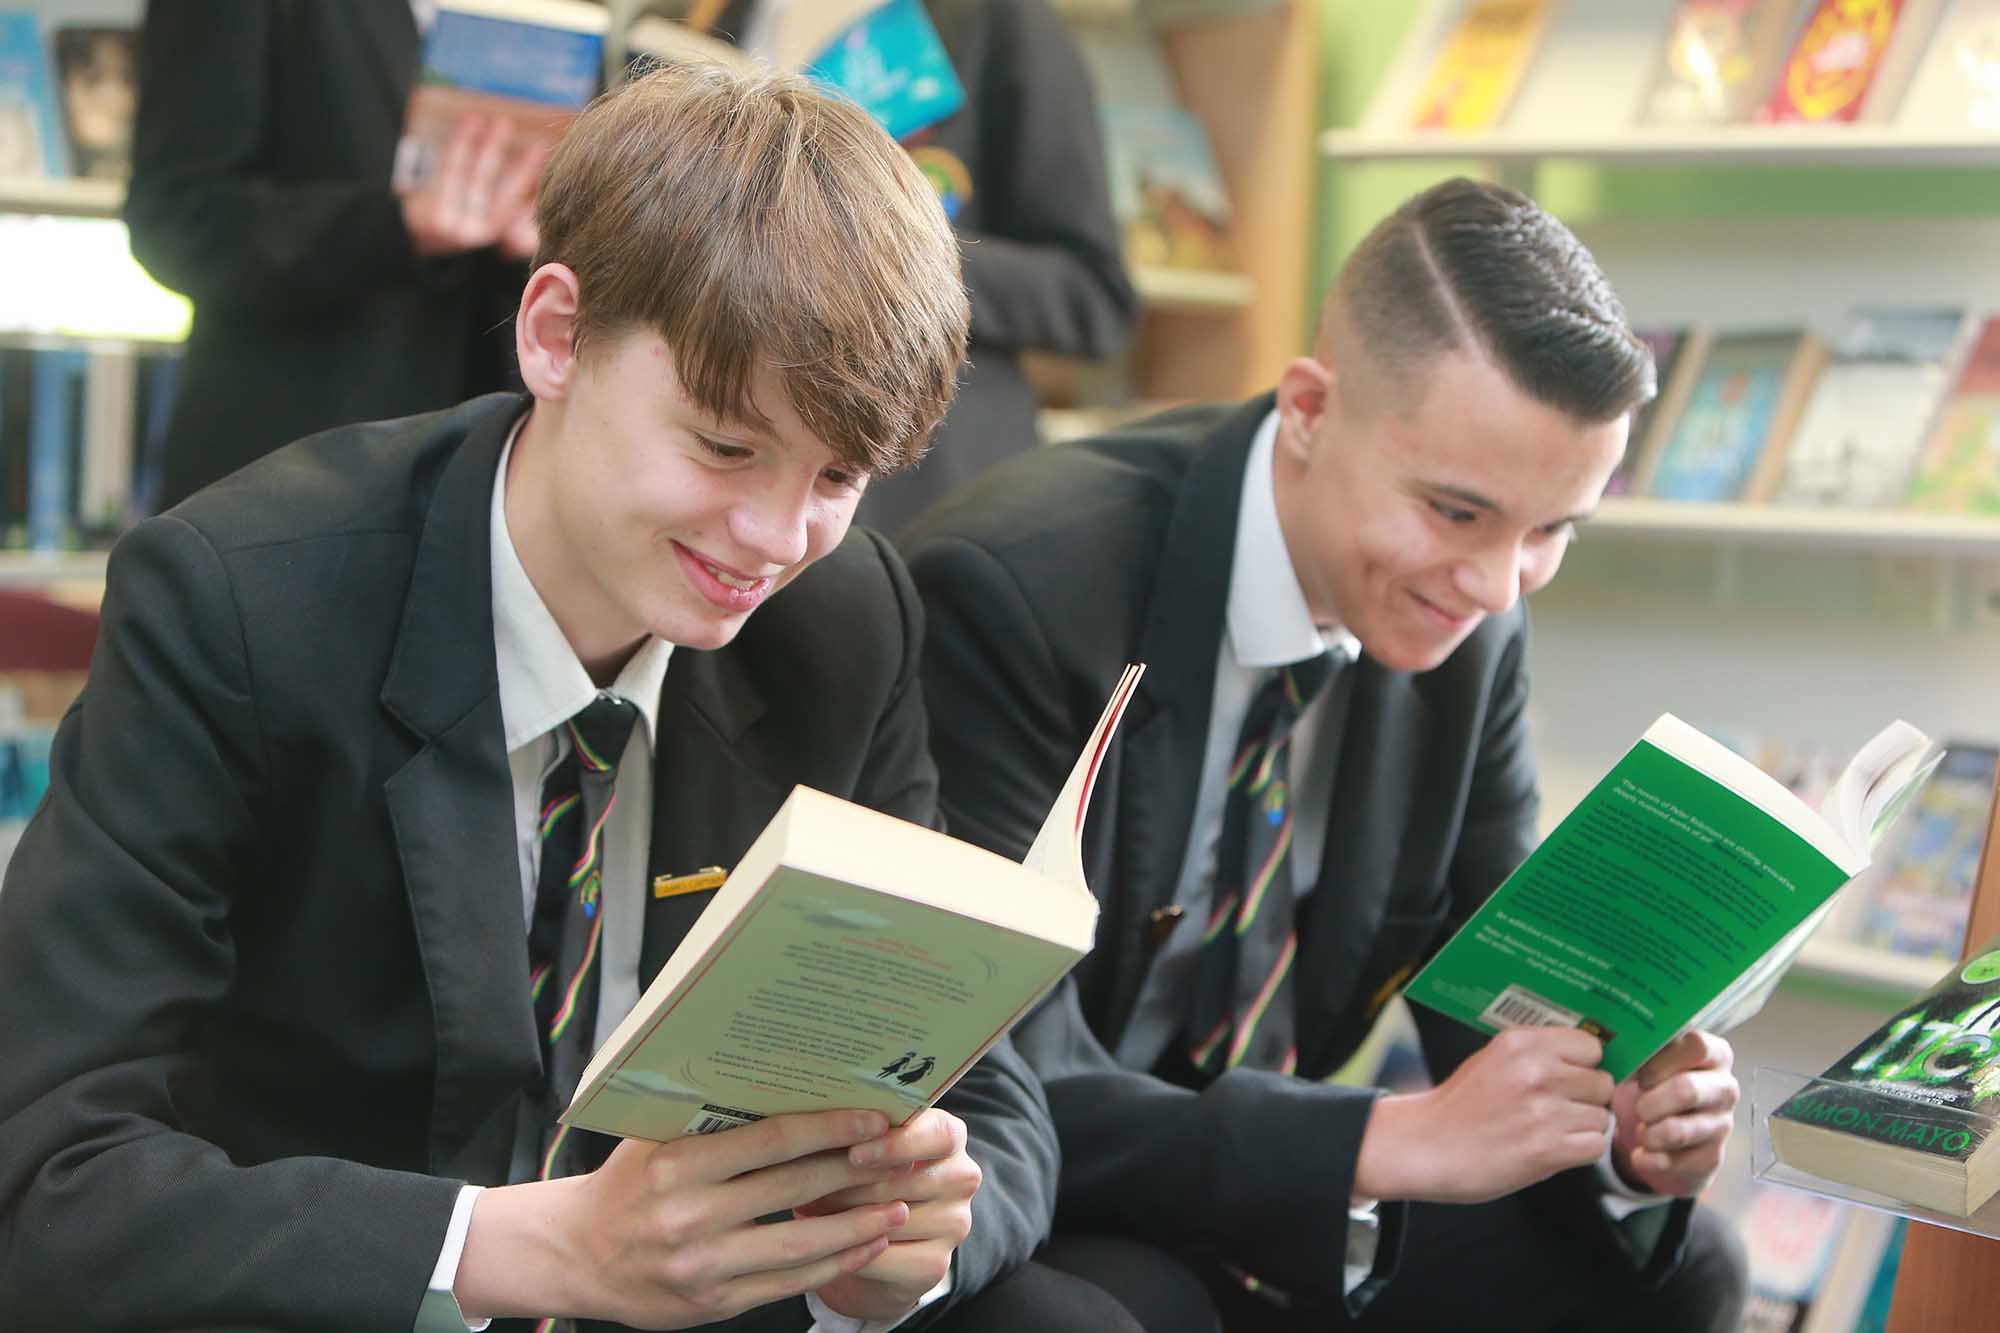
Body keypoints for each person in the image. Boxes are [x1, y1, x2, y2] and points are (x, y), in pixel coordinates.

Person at [0, 63, 1178, 1333]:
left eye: (838, 477)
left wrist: (909, 1244)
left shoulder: (843, 619)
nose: (774, 540)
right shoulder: (241, 603)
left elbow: (987, 1081)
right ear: (555, 335)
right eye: (724, 446)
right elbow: (52, 1179)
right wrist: (532, 1250)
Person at [902, 177, 1751, 1331]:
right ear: (1306, 408)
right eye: (1455, 512)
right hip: (1043, 1176)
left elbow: (1490, 981)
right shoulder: (1017, 590)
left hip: (1277, 1169)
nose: (1496, 586)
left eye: (1551, 529)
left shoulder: (1471, 621)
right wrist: (1375, 1139)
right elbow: (989, 1061)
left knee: (1683, 1265)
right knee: (1139, 1309)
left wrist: (1617, 1120)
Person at [705, 0, 1140, 535]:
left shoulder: (996, 21)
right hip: (734, 464)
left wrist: (886, 255)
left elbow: (1093, 295)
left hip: (918, 492)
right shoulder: (727, 17)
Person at [124, 0, 550, 509]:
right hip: (294, 462)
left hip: (494, 462)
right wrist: (397, 226)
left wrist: (540, 229)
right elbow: (174, 217)